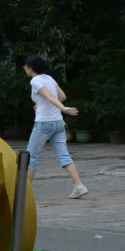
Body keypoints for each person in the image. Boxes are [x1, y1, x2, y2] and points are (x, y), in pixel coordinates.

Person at [23, 54, 88, 198]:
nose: (24, 69)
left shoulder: (35, 81)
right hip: (58, 123)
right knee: (64, 155)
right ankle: (79, 186)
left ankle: (24, 192)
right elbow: (62, 96)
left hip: (43, 123)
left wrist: (64, 109)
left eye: (25, 66)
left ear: (31, 68)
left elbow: (50, 97)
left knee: (31, 156)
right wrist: (48, 106)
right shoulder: (49, 78)